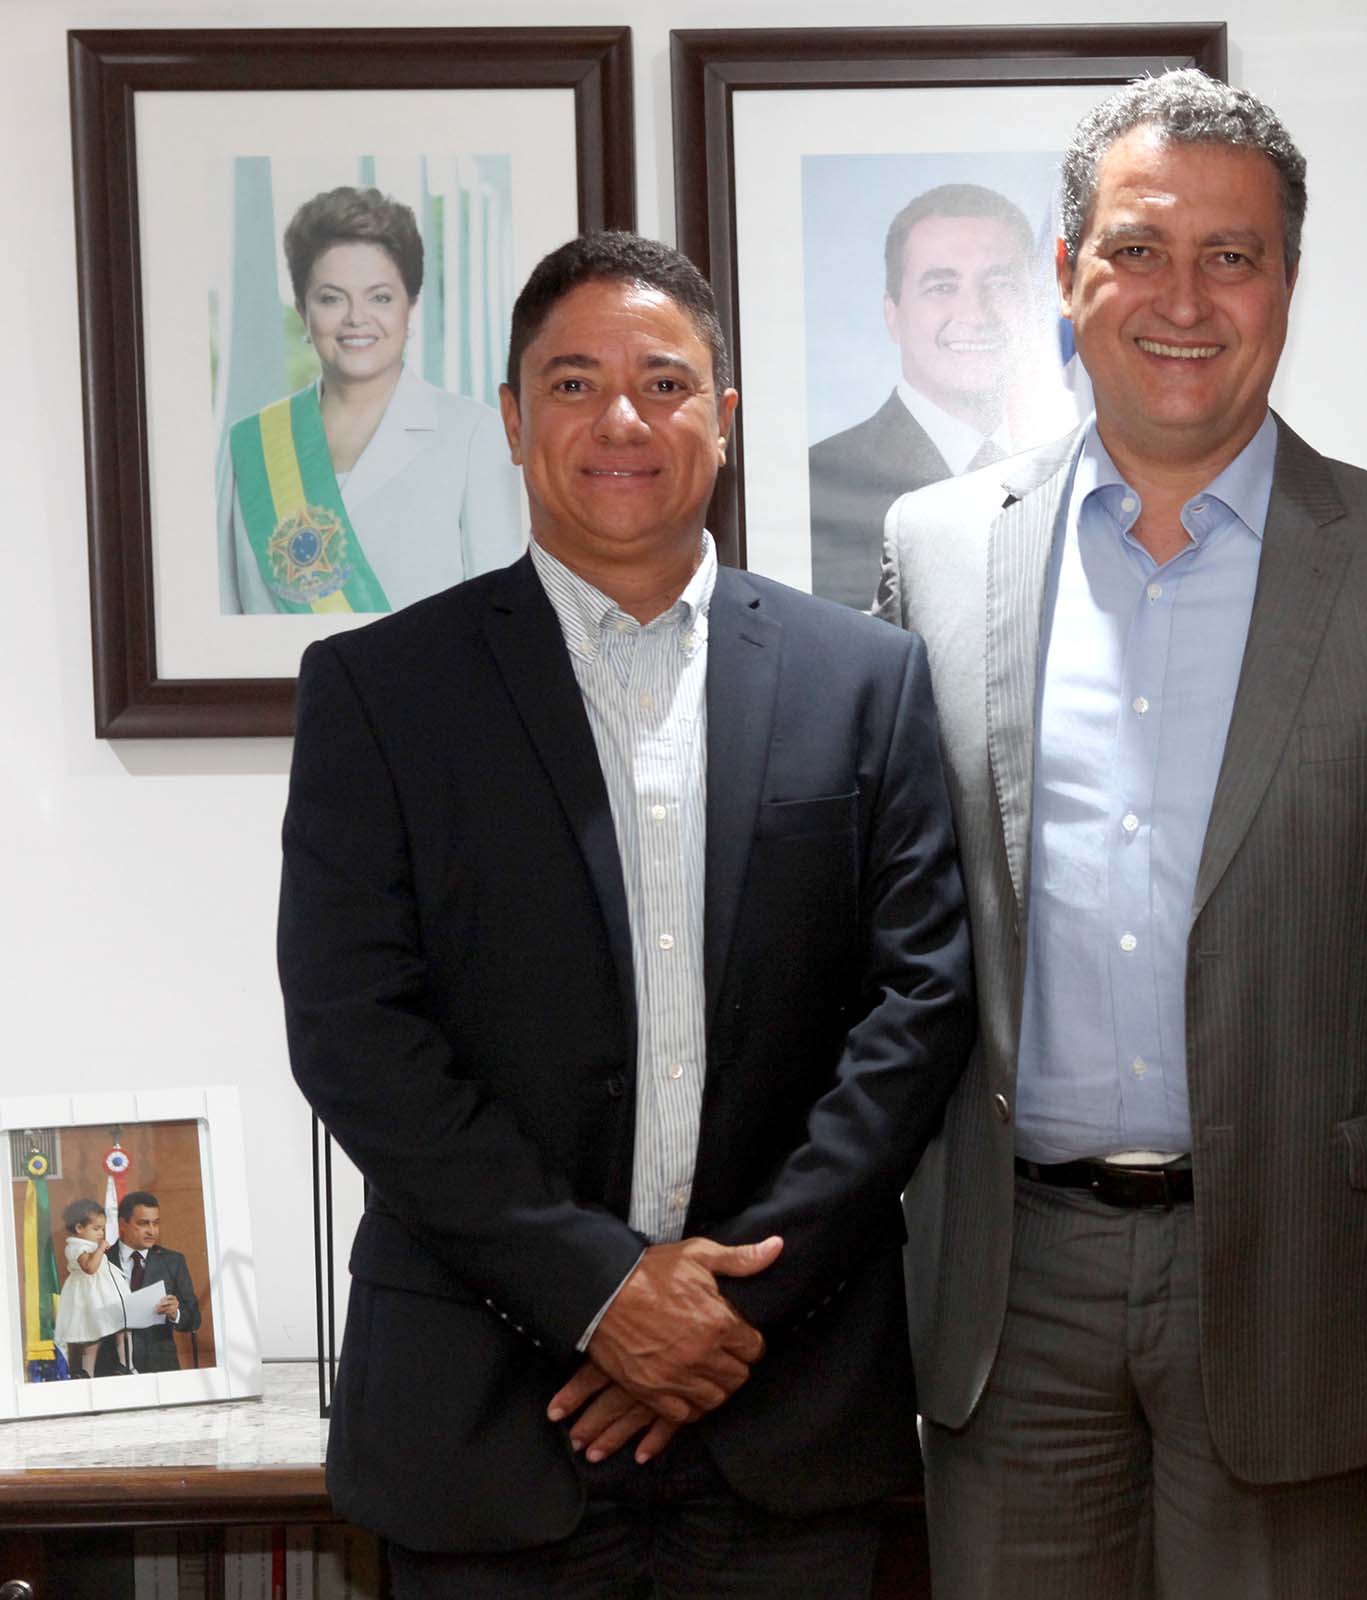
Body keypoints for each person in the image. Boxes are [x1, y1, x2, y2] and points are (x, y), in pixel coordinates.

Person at [879, 70, 1367, 1599]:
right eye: (1138, 249)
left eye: (1232, 257)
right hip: (1010, 1281)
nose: (1184, 298)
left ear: (1289, 284)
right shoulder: (934, 549)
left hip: (1307, 1281)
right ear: (1067, 277)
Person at [278, 231, 975, 1597]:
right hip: (485, 1421)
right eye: (573, 382)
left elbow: (921, 1008)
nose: (621, 421)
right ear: (511, 417)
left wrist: (721, 1314)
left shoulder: (867, 679)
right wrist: (601, 1294)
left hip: (784, 1410)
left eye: (664, 382)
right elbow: (356, 1033)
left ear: (722, 416)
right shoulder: (383, 691)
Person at [218, 184, 523, 614]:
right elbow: (226, 620)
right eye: (330, 298)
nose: (356, 318)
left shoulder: (475, 435)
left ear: (410, 308)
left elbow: (500, 612)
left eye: (379, 297)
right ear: (304, 312)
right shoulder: (250, 445)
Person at [807, 183, 1049, 610]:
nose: (975, 314)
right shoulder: (820, 483)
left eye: (1001, 285)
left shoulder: (1077, 471)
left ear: (1033, 307)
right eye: (941, 287)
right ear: (892, 315)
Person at [105, 1192, 202, 1375]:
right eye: (143, 1223)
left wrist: (176, 1313)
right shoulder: (101, 1261)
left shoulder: (173, 1261)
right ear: (122, 1224)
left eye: (156, 1223)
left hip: (160, 1367)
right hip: (110, 1367)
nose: (152, 1231)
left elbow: (194, 1318)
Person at [55, 1198, 129, 1378]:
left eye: (102, 1229)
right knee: (92, 1336)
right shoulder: (76, 1247)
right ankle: (88, 1372)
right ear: (79, 1228)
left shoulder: (87, 1244)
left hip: (102, 1292)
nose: (101, 1233)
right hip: (91, 1295)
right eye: (96, 1229)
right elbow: (90, 1268)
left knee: (122, 1327)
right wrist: (101, 1248)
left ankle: (125, 1364)